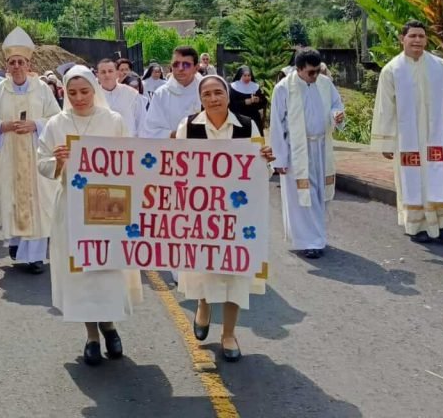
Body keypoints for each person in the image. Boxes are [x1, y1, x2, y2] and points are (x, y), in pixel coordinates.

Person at [38, 65, 142, 366]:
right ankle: (91, 337)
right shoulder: (57, 123)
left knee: (106, 270)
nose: (79, 98)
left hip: (109, 208)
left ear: (94, 90)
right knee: (80, 273)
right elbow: (41, 163)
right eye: (72, 93)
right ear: (64, 93)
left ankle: (110, 327)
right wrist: (57, 162)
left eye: (84, 91)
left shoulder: (113, 120)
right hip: (72, 207)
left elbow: (130, 159)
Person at [175, 73, 275, 362]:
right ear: (200, 99)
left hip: (238, 214)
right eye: (207, 95)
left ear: (228, 95)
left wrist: (265, 160)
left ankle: (229, 333)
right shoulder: (189, 127)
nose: (213, 99)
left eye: (218, 92)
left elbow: (262, 172)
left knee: (235, 272)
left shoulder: (247, 126)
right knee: (207, 266)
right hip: (202, 212)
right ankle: (204, 305)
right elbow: (174, 168)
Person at [371, 20, 443, 247]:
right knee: (413, 182)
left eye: (421, 36)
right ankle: (416, 226)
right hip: (408, 140)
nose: (417, 40)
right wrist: (386, 142)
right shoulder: (392, 70)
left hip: (438, 138)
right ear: (402, 39)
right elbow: (385, 107)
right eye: (412, 36)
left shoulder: (440, 67)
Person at [0, 27, 62, 274]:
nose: (17, 66)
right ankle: (16, 243)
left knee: (36, 204)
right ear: (7, 65)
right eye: (12, 62)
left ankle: (35, 256)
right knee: (13, 201)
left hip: (36, 156)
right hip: (10, 158)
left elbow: (56, 119)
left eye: (21, 62)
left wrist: (35, 125)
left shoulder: (42, 89)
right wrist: (3, 126)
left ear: (29, 64)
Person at [270, 49, 345, 259]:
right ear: (299, 69)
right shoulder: (284, 88)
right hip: (297, 151)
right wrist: (279, 158)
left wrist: (337, 116)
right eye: (311, 72)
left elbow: (336, 105)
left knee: (320, 194)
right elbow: (276, 123)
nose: (315, 76)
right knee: (304, 197)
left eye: (318, 71)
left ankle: (318, 236)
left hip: (321, 147)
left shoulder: (325, 83)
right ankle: (310, 241)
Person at [142, 46, 201, 139]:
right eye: (176, 64)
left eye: (186, 64)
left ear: (196, 68)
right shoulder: (161, 94)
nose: (180, 68)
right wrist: (179, 134)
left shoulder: (206, 91)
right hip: (171, 150)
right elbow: (150, 131)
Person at [96, 58, 145, 136]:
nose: (107, 75)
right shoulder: (93, 95)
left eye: (110, 71)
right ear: (97, 75)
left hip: (128, 144)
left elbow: (142, 123)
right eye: (103, 72)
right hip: (101, 144)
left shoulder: (132, 94)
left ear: (116, 73)